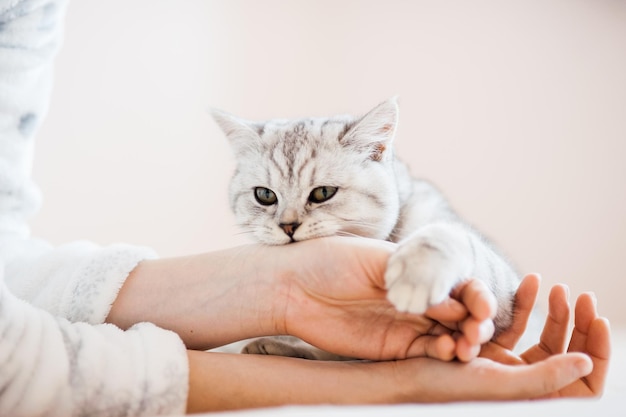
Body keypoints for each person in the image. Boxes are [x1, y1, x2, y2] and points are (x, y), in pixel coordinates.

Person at [0, 0, 611, 416]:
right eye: (265, 198)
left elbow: (495, 284)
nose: (288, 222)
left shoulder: (418, 212)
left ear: (378, 151)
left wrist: (439, 252)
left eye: (320, 195)